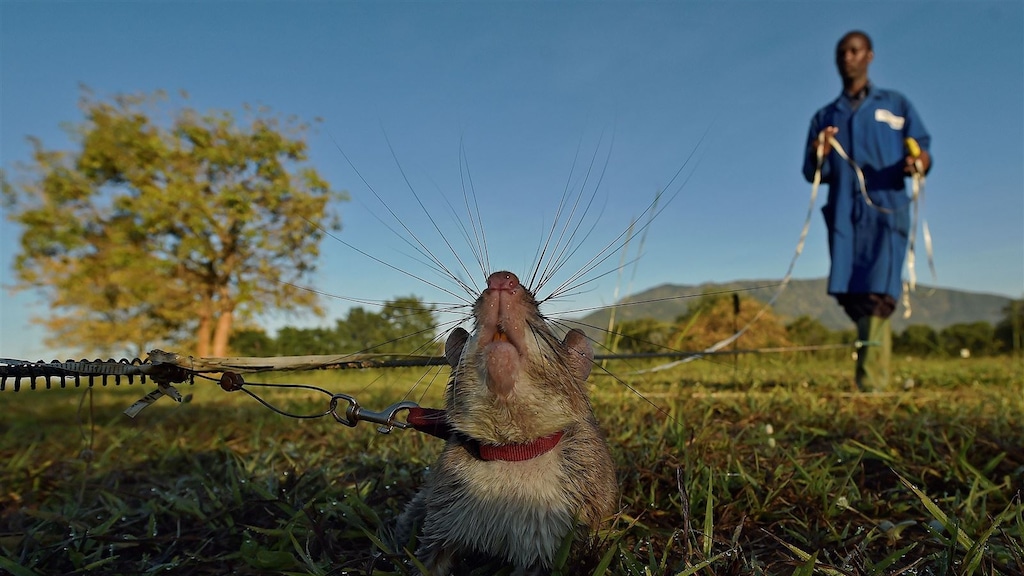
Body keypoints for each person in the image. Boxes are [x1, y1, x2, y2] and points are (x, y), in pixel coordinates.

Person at [802, 31, 932, 391]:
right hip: (845, 215)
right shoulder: (825, 116)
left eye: (855, 51)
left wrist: (918, 160)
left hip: (887, 211)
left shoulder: (896, 105)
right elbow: (811, 173)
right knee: (853, 294)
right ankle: (871, 375)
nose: (848, 57)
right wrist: (819, 152)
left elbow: (923, 149)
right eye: (841, 52)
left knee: (879, 293)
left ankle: (872, 385)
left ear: (870, 56)